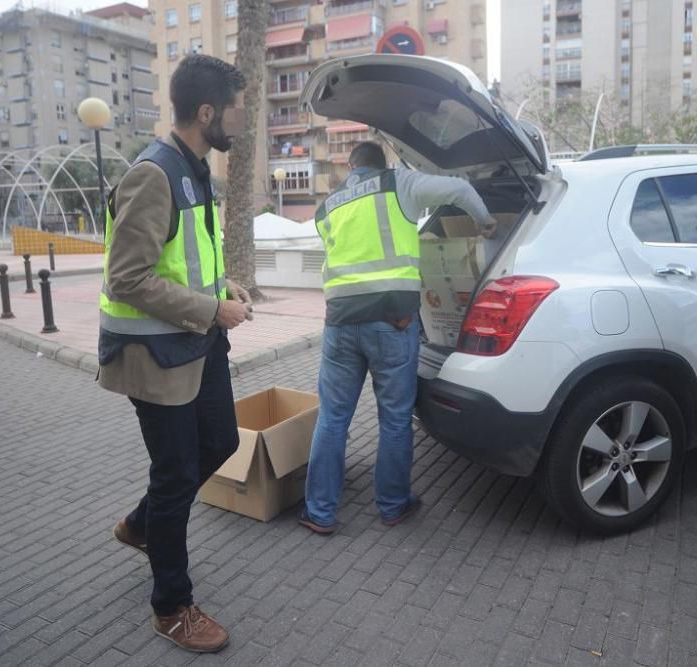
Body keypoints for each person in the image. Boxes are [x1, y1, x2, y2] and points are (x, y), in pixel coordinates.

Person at [99, 55, 252, 652]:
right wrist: (212, 310)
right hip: (154, 356)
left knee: (222, 443)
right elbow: (127, 278)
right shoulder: (154, 173)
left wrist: (222, 288)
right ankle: (171, 606)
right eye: (236, 111)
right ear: (208, 112)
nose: (241, 123)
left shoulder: (196, 169)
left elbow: (184, 258)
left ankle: (141, 526)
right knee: (177, 475)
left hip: (197, 342)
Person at [298, 141, 497, 534]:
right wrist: (484, 222)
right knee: (393, 418)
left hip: (340, 324)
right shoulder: (397, 183)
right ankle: (392, 505)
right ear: (381, 163)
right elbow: (458, 189)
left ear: (351, 167)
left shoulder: (329, 205)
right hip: (394, 322)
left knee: (334, 417)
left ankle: (320, 511)